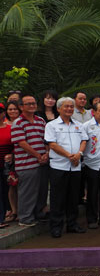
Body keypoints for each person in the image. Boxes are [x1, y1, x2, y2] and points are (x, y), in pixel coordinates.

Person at [44, 97, 87, 237]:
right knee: (58, 198)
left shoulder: (78, 125)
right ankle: (56, 227)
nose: (69, 109)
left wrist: (79, 154)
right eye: (66, 106)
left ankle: (72, 224)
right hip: (59, 166)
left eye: (71, 106)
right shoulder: (52, 125)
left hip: (75, 167)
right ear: (58, 109)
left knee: (74, 198)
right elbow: (52, 144)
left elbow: (84, 140)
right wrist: (70, 156)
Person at [11, 94, 49, 227]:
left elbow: (46, 139)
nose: (32, 106)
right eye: (29, 104)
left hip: (42, 162)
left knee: (42, 190)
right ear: (21, 107)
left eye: (34, 103)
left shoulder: (40, 120)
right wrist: (38, 155)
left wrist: (46, 154)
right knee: (28, 192)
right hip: (26, 164)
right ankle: (25, 218)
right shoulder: (18, 122)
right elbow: (21, 143)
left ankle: (38, 214)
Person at [4, 101, 21, 221]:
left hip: (20, 157)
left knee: (21, 185)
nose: (13, 111)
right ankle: (13, 210)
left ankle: (22, 210)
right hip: (7, 160)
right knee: (11, 185)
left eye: (15, 109)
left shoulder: (21, 122)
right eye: (10, 109)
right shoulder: (3, 124)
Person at [0, 104, 12, 227]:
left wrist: (12, 155)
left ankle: (5, 215)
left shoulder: (10, 128)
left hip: (7, 164)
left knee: (6, 190)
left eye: (0, 111)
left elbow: (16, 145)